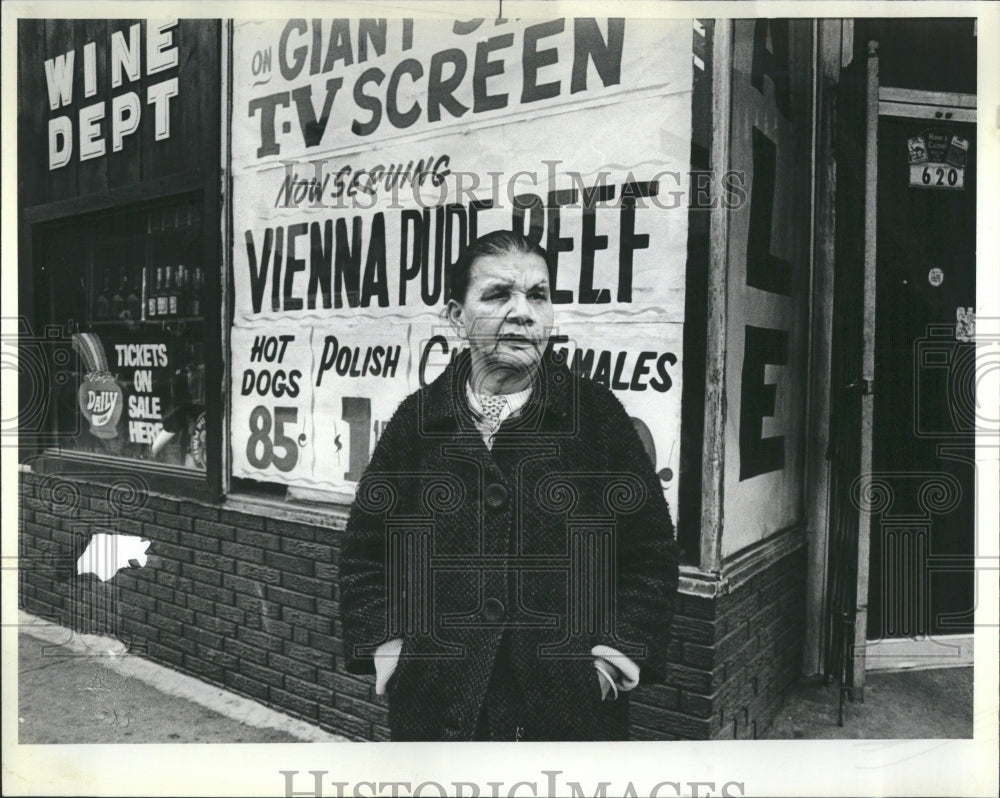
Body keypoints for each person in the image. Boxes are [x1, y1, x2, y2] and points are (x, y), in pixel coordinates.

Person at [341, 230, 679, 741]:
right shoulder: (418, 422)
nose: (522, 312)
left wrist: (612, 661)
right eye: (498, 295)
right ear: (457, 317)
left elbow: (649, 551)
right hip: (439, 708)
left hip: (567, 712)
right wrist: (389, 650)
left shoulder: (596, 419)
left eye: (538, 296)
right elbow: (366, 554)